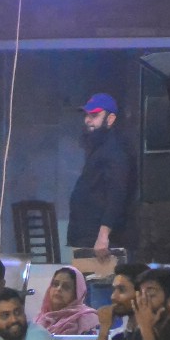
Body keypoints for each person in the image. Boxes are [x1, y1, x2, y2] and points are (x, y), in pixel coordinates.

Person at [66, 93, 139, 258]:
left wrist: (103, 234)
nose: (88, 120)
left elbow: (117, 192)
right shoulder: (98, 148)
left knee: (100, 276)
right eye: (87, 115)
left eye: (94, 115)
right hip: (87, 236)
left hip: (101, 242)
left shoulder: (115, 150)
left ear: (110, 119)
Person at [33, 266, 100, 335]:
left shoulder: (88, 318)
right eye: (55, 284)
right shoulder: (40, 319)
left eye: (66, 287)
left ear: (77, 293)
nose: (58, 289)